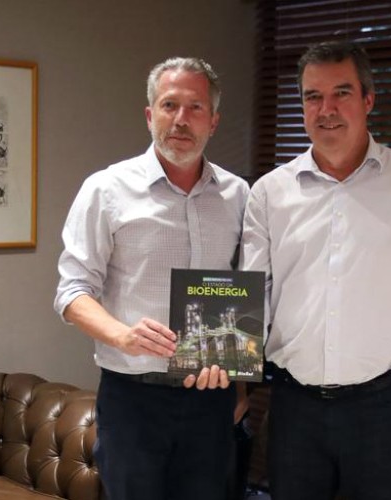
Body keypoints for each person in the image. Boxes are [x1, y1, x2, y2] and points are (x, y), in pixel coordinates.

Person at [240, 41, 391, 500]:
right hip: (294, 409)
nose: (326, 109)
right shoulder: (269, 193)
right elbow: (253, 298)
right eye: (313, 96)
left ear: (368, 99)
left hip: (382, 411)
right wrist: (236, 386)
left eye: (342, 93)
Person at [54, 56, 250, 500]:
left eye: (195, 107)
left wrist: (239, 383)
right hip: (134, 400)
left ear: (214, 121)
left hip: (212, 399)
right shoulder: (106, 190)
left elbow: (247, 287)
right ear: (149, 115)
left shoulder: (238, 195)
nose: (181, 119)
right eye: (169, 105)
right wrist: (122, 336)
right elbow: (72, 291)